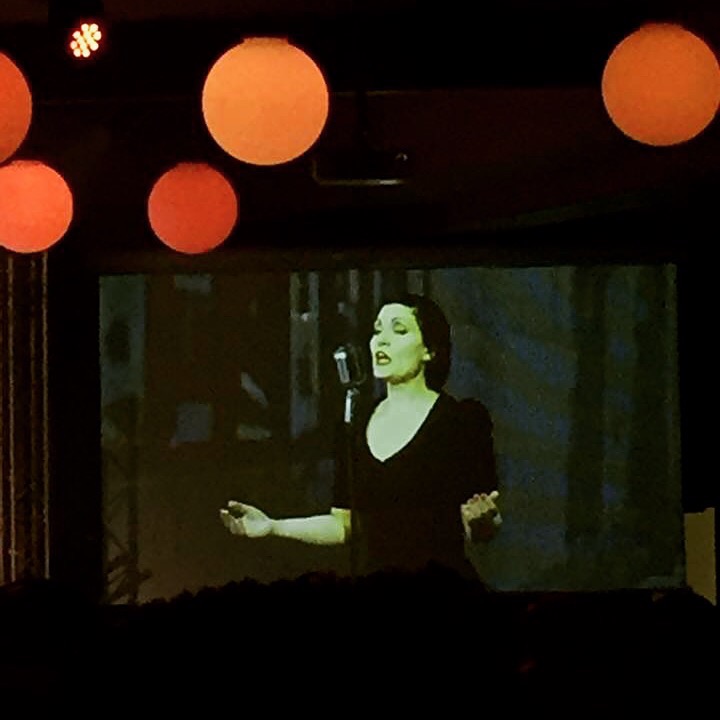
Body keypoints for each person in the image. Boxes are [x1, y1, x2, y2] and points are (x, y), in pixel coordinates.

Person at [220, 293, 501, 578]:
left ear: (429, 351)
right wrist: (273, 526)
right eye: (378, 330)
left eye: (399, 330)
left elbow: (483, 523)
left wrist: (481, 521)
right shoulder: (355, 421)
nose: (382, 341)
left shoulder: (460, 420)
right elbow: (344, 525)